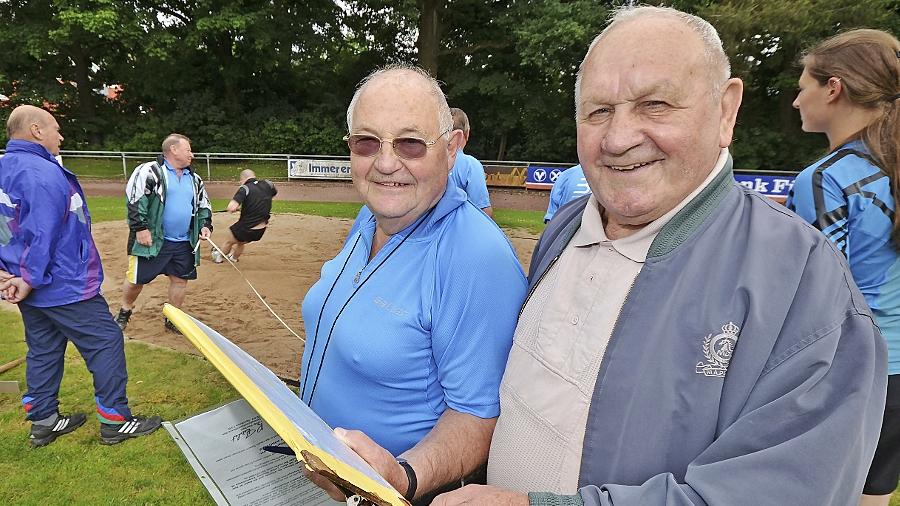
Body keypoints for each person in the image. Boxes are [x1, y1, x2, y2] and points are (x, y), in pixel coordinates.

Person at [338, 7, 888, 506]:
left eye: (655, 104)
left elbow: (778, 494)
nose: (619, 137)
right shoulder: (565, 231)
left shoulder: (804, 285)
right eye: (598, 111)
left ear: (726, 110)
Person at [301, 65, 527, 505]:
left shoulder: (474, 256)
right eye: (367, 142)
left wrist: (402, 476)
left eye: (410, 143)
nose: (387, 164)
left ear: (452, 148)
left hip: (396, 493)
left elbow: (479, 416)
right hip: (325, 477)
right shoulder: (370, 217)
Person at [0, 105, 162, 447]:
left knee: (44, 349)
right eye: (56, 128)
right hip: (61, 283)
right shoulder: (40, 174)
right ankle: (115, 420)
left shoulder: (6, 167)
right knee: (105, 340)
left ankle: (44, 420)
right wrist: (28, 277)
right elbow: (43, 233)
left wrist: (8, 273)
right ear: (36, 130)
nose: (61, 136)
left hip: (28, 282)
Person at [785, 29, 900, 506]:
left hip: (854, 369)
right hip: (897, 372)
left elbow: (818, 297)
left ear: (833, 89)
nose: (796, 101)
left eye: (804, 85)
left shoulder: (827, 179)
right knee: (872, 494)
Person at [114, 134, 212, 333]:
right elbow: (135, 199)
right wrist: (140, 228)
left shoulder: (194, 179)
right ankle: (125, 309)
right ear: (173, 150)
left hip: (184, 242)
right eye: (188, 150)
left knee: (180, 280)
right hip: (153, 240)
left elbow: (203, 205)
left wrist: (205, 225)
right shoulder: (149, 171)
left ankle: (173, 318)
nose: (192, 155)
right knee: (136, 280)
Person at [211, 169, 277, 263]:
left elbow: (231, 207)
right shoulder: (267, 184)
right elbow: (268, 195)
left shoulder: (245, 188)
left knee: (229, 241)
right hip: (261, 230)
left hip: (247, 227)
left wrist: (233, 209)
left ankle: (219, 256)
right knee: (240, 242)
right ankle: (234, 258)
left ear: (243, 179)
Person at [448, 108, 493, 217]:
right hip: (458, 230)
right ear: (467, 133)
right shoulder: (470, 165)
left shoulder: (427, 162)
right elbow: (483, 210)